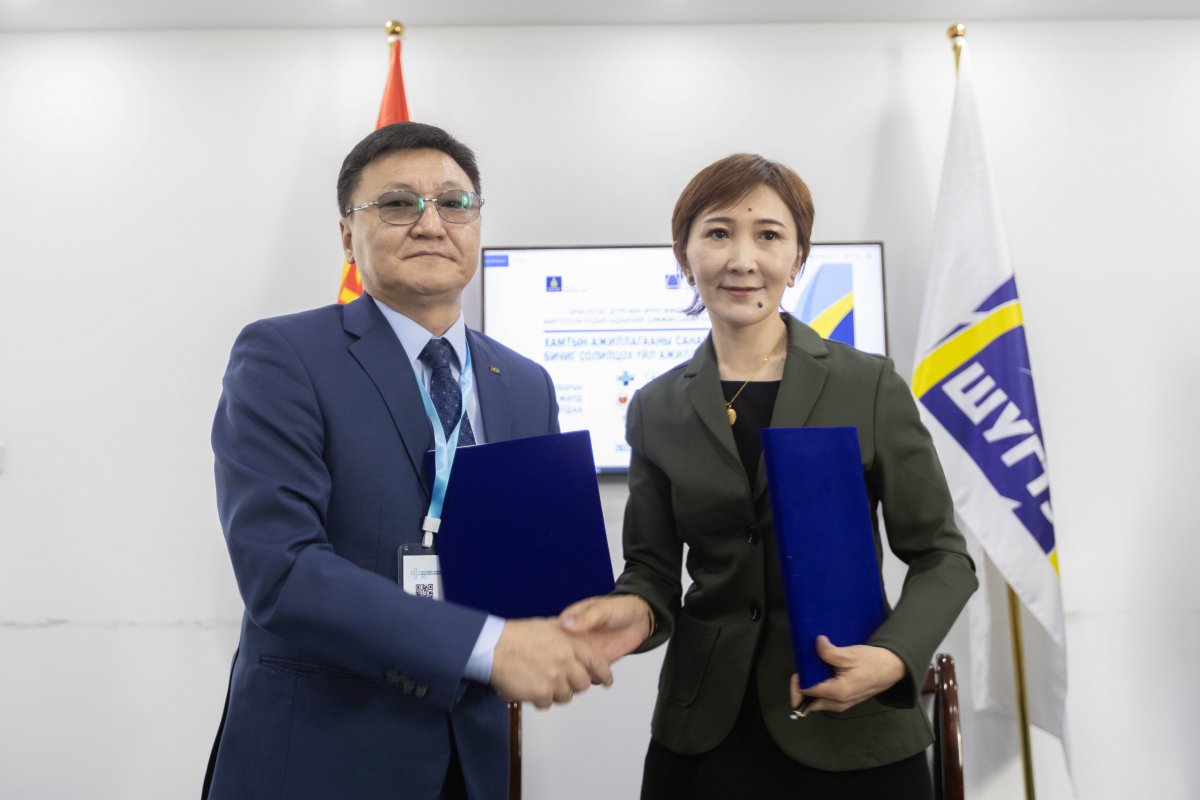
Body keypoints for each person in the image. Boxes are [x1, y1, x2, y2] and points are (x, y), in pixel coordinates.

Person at [203, 122, 612, 800]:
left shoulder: (525, 382)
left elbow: (533, 566)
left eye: (454, 203)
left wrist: (591, 621)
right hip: (322, 756)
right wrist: (489, 647)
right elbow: (282, 571)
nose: (430, 223)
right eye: (398, 204)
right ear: (347, 236)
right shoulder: (284, 356)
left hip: (471, 756)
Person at [562, 154, 979, 799]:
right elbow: (651, 571)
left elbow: (943, 557)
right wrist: (632, 610)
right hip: (704, 734)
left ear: (798, 256)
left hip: (850, 718)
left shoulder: (867, 384)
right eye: (718, 232)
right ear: (684, 254)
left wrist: (894, 656)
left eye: (769, 235)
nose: (743, 259)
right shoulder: (656, 406)